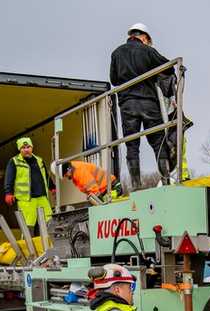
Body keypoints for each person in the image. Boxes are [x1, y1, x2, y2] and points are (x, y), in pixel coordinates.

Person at [109, 22, 188, 185]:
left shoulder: (116, 53)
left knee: (132, 145)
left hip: (128, 105)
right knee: (158, 142)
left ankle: (136, 185)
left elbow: (114, 80)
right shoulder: (148, 51)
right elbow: (168, 68)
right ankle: (166, 179)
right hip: (149, 103)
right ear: (143, 37)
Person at [4, 137, 55, 228]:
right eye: (23, 148)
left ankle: (50, 242)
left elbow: (45, 176)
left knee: (49, 222)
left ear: (32, 147)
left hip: (42, 197)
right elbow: (9, 178)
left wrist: (52, 187)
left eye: (28, 147)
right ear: (19, 149)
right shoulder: (14, 161)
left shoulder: (39, 160)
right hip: (26, 199)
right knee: (28, 225)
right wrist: (8, 192)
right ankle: (27, 242)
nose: (26, 150)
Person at [60, 160, 124, 202]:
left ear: (68, 169)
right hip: (106, 189)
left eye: (65, 175)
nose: (66, 177)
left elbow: (94, 191)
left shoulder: (79, 172)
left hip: (112, 189)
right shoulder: (75, 171)